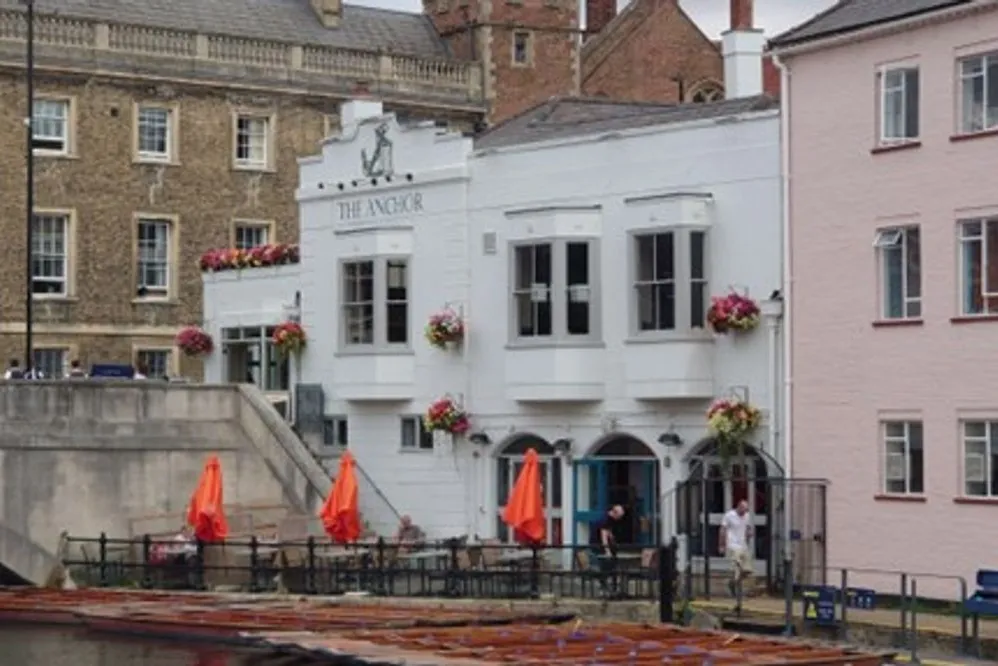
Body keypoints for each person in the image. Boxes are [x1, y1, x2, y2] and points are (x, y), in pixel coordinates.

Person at [719, 499, 753, 607]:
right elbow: (723, 530)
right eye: (743, 509)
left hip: (743, 545)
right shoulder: (729, 515)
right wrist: (722, 545)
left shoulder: (747, 516)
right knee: (737, 568)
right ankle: (738, 594)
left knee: (747, 570)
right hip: (732, 545)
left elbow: (747, 528)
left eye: (746, 510)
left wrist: (749, 534)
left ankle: (732, 583)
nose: (744, 512)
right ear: (738, 507)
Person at [590, 505, 625, 596]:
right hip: (599, 547)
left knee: (611, 567)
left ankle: (611, 588)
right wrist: (607, 550)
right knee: (607, 567)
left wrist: (612, 538)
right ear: (614, 513)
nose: (619, 519)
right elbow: (603, 536)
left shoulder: (608, 519)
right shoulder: (605, 520)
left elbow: (608, 532)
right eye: (619, 516)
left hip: (600, 546)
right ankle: (606, 588)